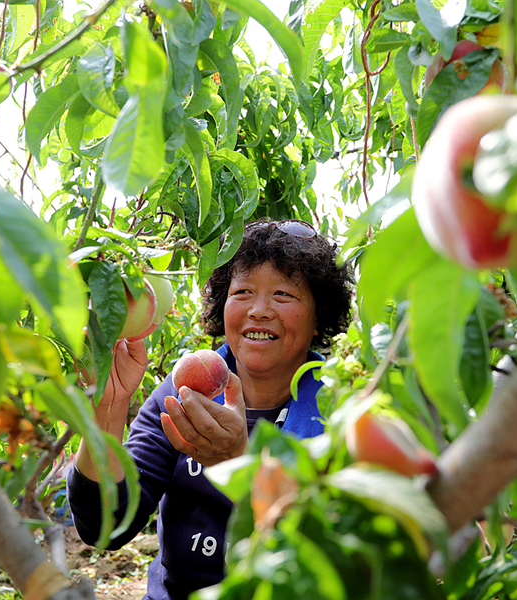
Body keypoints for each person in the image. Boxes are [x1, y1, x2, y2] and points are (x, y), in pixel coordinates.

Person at [66, 219, 355, 600]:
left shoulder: (338, 405)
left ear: (319, 318)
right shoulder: (187, 388)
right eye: (243, 292)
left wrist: (237, 464)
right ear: (223, 306)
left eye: (283, 295)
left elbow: (328, 557)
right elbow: (106, 526)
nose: (259, 310)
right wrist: (107, 410)